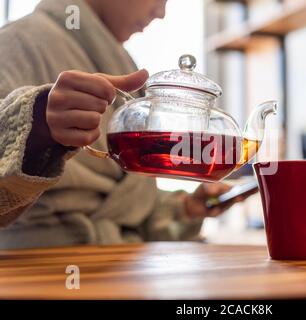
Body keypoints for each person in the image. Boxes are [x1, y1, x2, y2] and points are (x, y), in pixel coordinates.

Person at [0, 0, 242, 249]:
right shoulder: (15, 43)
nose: (161, 13)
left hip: (118, 261)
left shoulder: (121, 61)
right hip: (34, 264)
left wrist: (183, 209)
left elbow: (120, 210)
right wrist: (38, 125)